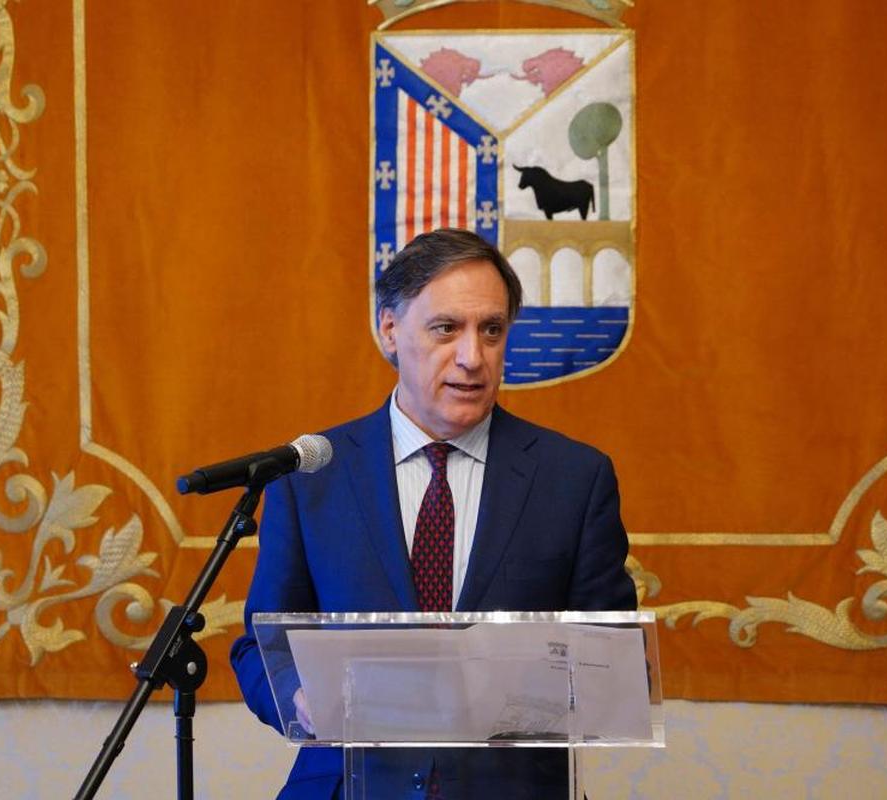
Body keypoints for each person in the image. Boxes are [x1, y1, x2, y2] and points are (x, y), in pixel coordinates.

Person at [230, 228, 637, 799]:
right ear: (389, 329)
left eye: (491, 330)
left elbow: (612, 664)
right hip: (347, 786)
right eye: (447, 328)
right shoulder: (310, 474)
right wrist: (298, 697)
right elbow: (261, 645)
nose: (473, 357)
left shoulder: (574, 478)